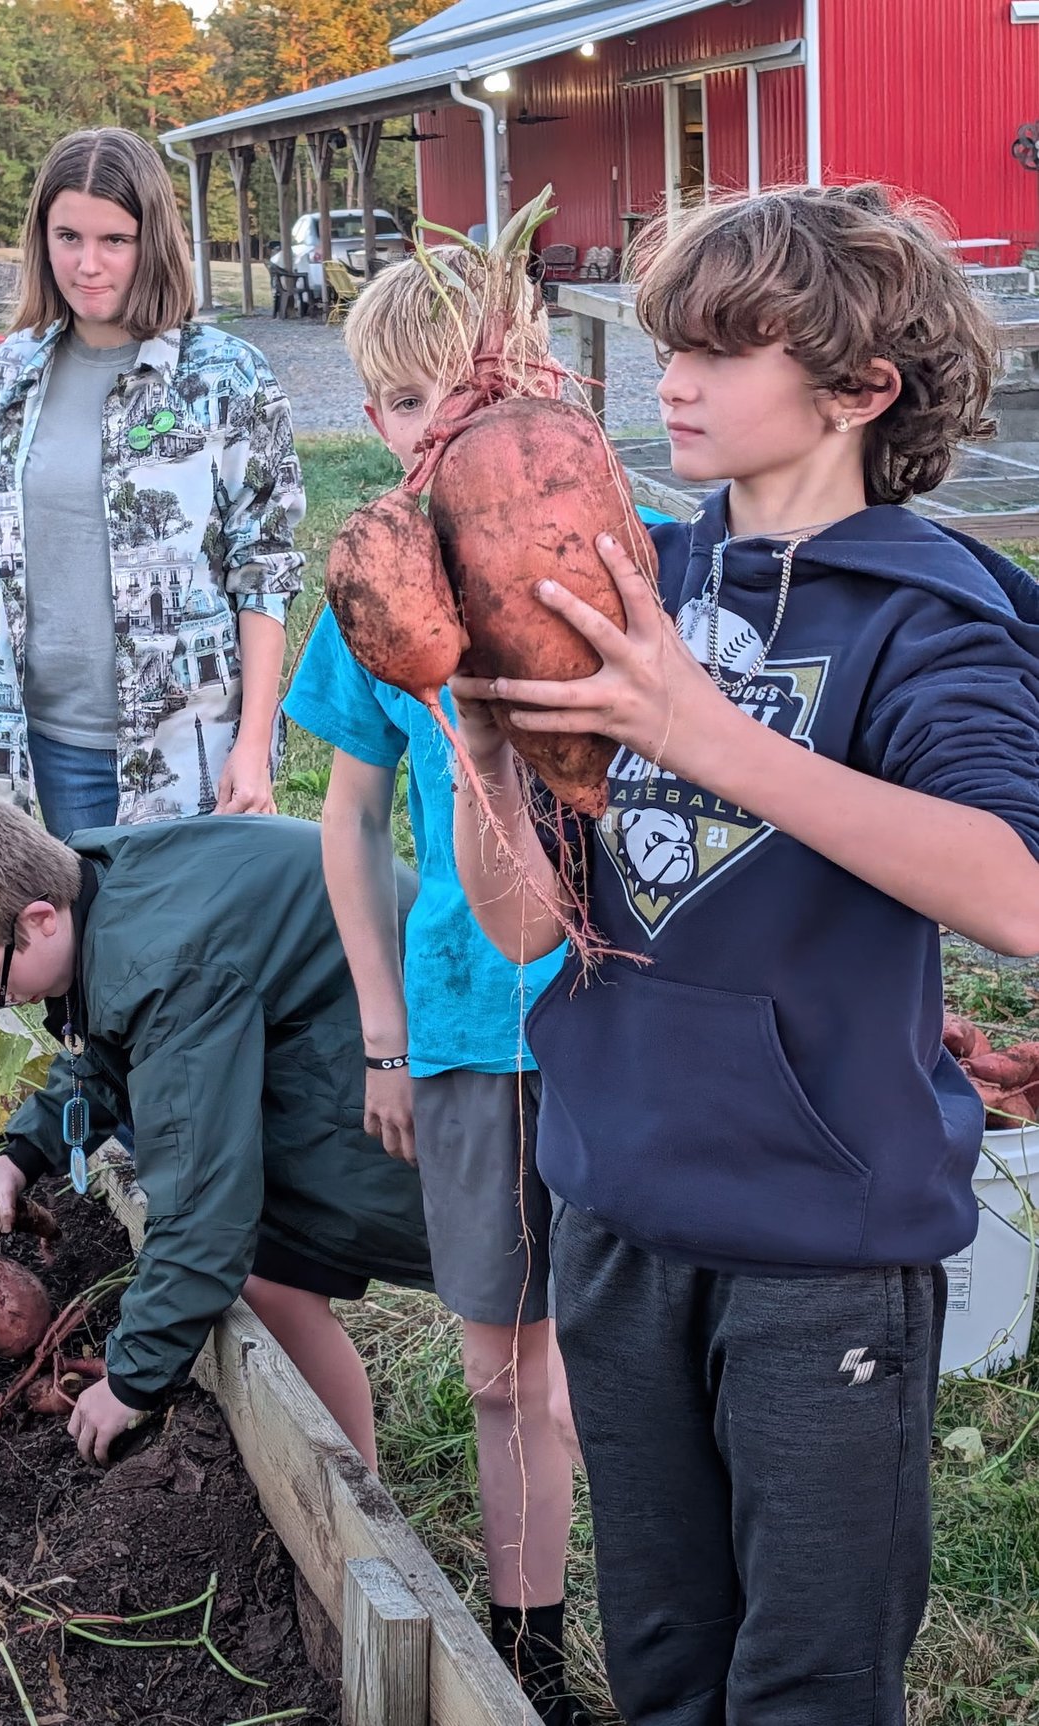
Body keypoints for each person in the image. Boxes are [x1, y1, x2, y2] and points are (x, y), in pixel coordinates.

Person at [449, 183, 1039, 1725]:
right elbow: (521, 919)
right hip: (618, 1207)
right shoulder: (645, 580)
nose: (675, 382)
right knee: (660, 1655)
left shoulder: (931, 617)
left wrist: (696, 732)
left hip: (817, 1244)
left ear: (860, 389)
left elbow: (1017, 892)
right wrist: (487, 740)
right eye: (668, 346)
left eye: (726, 347)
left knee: (807, 1680)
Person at [284, 249, 667, 1725]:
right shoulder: (381, 587)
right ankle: (526, 1651)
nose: (423, 421)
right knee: (507, 1367)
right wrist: (382, 1028)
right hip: (460, 1012)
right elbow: (350, 819)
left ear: (528, 375)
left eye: (452, 383)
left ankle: (653, 1624)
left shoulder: (610, 538)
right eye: (394, 397)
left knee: (599, 1368)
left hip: (618, 1004)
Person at [0, 795, 432, 1468]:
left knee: (494, 1315)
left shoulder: (162, 967)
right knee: (270, 1279)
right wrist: (18, 1158)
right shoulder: (95, 887)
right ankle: (352, 1483)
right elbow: (102, 1043)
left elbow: (200, 1202)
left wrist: (133, 1380)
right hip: (334, 1030)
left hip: (411, 1063)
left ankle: (366, 1513)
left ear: (38, 919)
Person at [0, 127, 305, 838]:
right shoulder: (8, 380)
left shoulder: (228, 378)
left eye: (115, 241)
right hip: (42, 753)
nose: (88, 264)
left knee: (173, 949)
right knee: (56, 946)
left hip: (189, 752)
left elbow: (264, 574)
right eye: (68, 236)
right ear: (42, 238)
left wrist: (253, 747)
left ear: (152, 243)